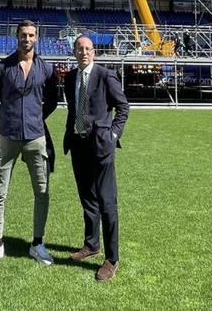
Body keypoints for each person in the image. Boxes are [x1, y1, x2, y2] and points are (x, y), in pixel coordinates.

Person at [49, 35, 129, 282]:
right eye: (79, 49)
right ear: (74, 52)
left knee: (107, 202)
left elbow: (123, 107)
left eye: (88, 49)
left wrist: (113, 133)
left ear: (94, 52)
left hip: (101, 146)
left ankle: (112, 258)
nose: (84, 52)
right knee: (87, 199)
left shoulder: (105, 75)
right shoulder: (72, 77)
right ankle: (91, 244)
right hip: (78, 145)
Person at [0, 20, 57, 267]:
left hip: (36, 137)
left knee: (42, 192)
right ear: (17, 37)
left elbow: (53, 101)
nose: (27, 38)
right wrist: (9, 119)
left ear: (37, 37)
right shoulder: (3, 67)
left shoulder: (46, 68)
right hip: (7, 136)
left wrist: (34, 118)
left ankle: (37, 244)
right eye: (23, 34)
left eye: (31, 34)